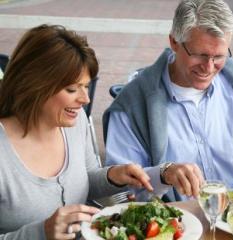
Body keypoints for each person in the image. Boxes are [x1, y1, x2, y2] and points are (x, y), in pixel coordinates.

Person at [103, 0, 233, 202]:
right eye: (200, 55)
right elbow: (121, 194)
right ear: (174, 42)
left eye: (219, 56)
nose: (209, 67)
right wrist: (163, 175)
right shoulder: (131, 105)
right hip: (177, 223)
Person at [0, 24, 153, 240]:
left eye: (86, 86)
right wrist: (41, 233)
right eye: (72, 89)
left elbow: (86, 180)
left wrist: (114, 176)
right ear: (34, 85)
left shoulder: (75, 120)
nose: (85, 99)